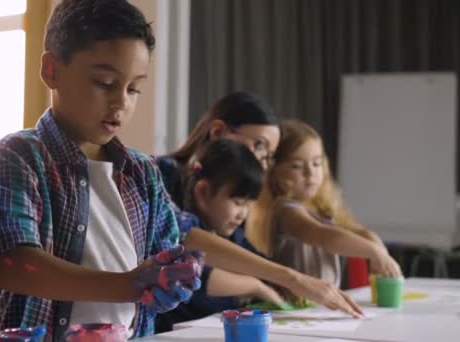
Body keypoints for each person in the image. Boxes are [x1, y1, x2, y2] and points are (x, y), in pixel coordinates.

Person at [0, 0, 202, 340]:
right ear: (51, 71)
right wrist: (127, 285)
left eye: (134, 88)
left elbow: (165, 254)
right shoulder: (21, 156)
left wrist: (172, 279)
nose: (121, 103)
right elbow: (10, 264)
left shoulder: (143, 173)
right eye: (105, 83)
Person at [158, 93, 363, 318]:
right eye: (258, 146)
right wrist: (287, 279)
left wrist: (278, 284)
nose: (260, 164)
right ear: (217, 132)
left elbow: (245, 254)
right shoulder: (159, 176)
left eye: (268, 156)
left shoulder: (227, 201)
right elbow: (187, 238)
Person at [246, 119, 402, 290]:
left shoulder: (319, 207)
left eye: (316, 163)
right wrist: (374, 252)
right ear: (274, 171)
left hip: (317, 307)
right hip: (291, 310)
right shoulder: (285, 210)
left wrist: (373, 241)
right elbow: (322, 236)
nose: (310, 173)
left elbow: (353, 230)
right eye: (296, 166)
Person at [156, 139, 283, 332]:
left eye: (249, 205)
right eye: (239, 202)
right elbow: (199, 278)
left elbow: (258, 261)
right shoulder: (180, 229)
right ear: (203, 192)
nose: (243, 214)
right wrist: (255, 286)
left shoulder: (233, 235)